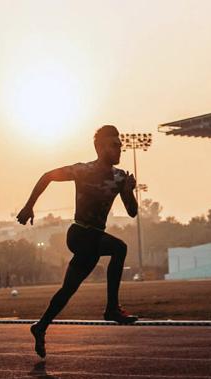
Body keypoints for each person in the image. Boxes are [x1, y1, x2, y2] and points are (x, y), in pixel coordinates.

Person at [17, 125, 139, 358]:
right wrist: (29, 205)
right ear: (100, 147)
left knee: (67, 290)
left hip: (93, 241)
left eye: (120, 145)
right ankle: (112, 308)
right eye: (114, 145)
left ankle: (40, 326)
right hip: (80, 233)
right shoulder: (83, 170)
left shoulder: (120, 177)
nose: (119, 149)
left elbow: (132, 212)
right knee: (119, 248)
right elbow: (47, 176)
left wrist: (129, 191)